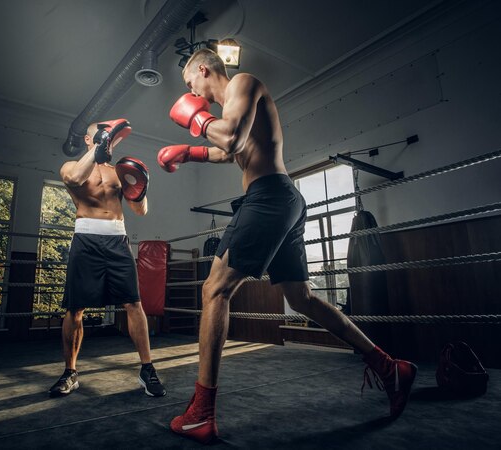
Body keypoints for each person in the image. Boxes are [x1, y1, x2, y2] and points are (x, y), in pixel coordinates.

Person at [158, 49, 416, 443]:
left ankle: (201, 412)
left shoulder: (243, 83)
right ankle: (387, 366)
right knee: (303, 300)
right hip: (283, 200)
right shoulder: (233, 108)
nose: (190, 90)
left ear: (202, 70)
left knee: (214, 289)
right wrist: (188, 153)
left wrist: (194, 117)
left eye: (189, 82)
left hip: (269, 198)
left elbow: (229, 139)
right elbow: (230, 151)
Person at [49, 119, 166, 398]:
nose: (110, 145)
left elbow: (140, 211)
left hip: (117, 239)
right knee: (75, 309)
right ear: (90, 140)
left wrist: (140, 188)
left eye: (112, 141)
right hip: (86, 239)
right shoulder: (70, 167)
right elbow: (76, 179)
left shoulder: (119, 173)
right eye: (104, 139)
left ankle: (147, 369)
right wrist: (99, 149)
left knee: (133, 303)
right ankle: (70, 372)